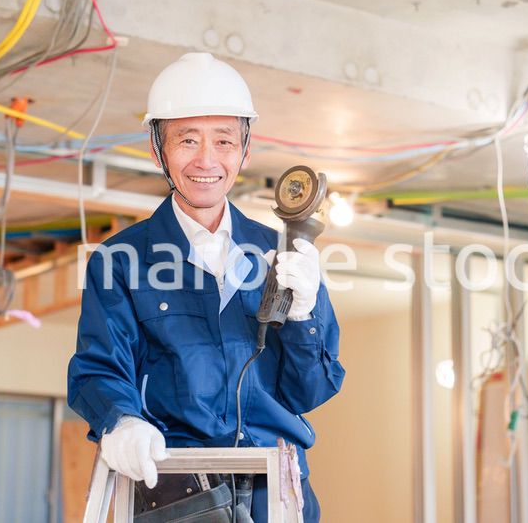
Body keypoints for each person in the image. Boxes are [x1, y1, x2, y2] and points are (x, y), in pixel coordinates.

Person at [68, 52, 345, 522]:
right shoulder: (119, 261)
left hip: (275, 495)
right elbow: (97, 368)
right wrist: (121, 419)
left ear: (245, 150)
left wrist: (304, 316)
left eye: (223, 141)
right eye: (187, 140)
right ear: (158, 150)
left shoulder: (281, 255)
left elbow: (307, 393)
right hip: (177, 495)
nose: (206, 160)